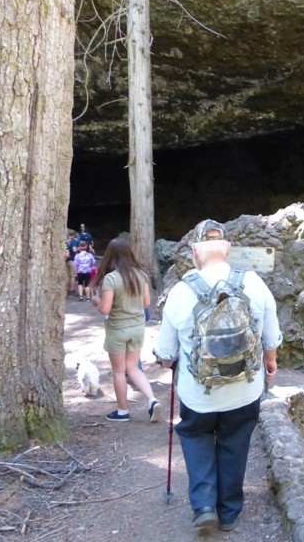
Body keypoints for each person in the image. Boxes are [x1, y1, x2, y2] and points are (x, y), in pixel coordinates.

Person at [155, 219, 282, 533]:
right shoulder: (253, 283)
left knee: (196, 437)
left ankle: (204, 505)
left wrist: (167, 361)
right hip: (244, 391)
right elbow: (271, 336)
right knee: (235, 443)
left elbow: (165, 352)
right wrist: (270, 362)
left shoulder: (181, 292)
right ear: (226, 250)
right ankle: (228, 513)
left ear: (196, 252)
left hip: (198, 395)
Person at [90, 238, 161, 423]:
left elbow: (105, 309)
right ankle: (152, 400)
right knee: (134, 368)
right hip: (137, 328)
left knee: (119, 371)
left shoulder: (111, 278)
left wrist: (96, 301)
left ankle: (122, 411)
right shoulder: (141, 275)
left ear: (110, 256)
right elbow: (146, 303)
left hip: (118, 329)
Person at [64, 229, 80, 295]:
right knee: (72, 276)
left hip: (66, 260)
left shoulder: (66, 241)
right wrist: (79, 248)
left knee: (67, 276)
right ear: (74, 234)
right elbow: (74, 250)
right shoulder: (75, 241)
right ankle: (71, 289)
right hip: (72, 260)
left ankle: (66, 288)